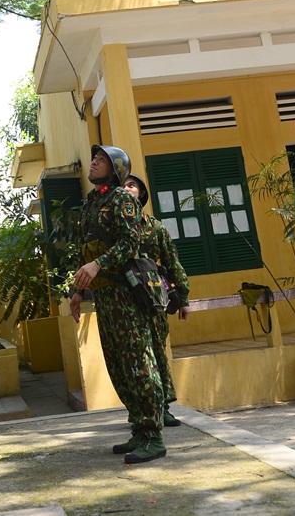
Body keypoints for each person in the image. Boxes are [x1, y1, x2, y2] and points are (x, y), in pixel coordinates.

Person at [70, 145, 166, 464]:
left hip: (127, 294)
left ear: (116, 169)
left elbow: (130, 242)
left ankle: (154, 435)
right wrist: (77, 292)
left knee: (139, 364)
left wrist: (99, 263)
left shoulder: (123, 199)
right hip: (105, 297)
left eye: (101, 160)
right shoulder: (91, 203)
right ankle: (139, 428)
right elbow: (85, 249)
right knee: (118, 366)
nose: (94, 162)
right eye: (95, 158)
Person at [123, 173, 190, 428]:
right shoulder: (115, 227)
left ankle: (163, 407)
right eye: (124, 185)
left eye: (132, 185)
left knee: (157, 353)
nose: (127, 189)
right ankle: (139, 410)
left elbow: (172, 262)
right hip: (125, 300)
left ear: (141, 193)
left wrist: (182, 297)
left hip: (153, 298)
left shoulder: (156, 228)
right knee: (133, 358)